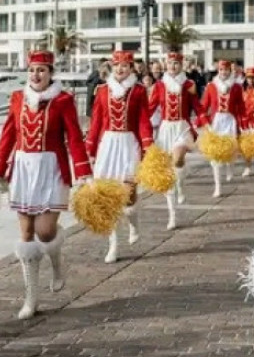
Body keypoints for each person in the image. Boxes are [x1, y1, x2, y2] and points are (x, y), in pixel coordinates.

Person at [0, 50, 92, 319]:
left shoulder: (63, 101)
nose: (36, 75)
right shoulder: (17, 99)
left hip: (51, 169)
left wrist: (84, 172)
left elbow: (74, 137)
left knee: (45, 232)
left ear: (50, 74)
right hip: (23, 168)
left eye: (42, 70)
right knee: (26, 234)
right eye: (32, 70)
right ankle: (31, 298)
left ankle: (57, 262)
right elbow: (8, 135)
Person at [85, 50, 154, 263]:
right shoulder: (103, 90)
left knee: (129, 196)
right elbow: (96, 121)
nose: (121, 69)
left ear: (131, 68)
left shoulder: (139, 91)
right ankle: (113, 245)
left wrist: (148, 146)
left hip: (128, 144)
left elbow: (143, 120)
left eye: (125, 65)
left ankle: (134, 223)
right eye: (117, 66)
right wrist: (89, 147)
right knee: (110, 199)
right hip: (108, 145)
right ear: (112, 67)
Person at [148, 51, 204, 230]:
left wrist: (206, 123)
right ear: (166, 64)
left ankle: (180, 183)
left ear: (182, 65)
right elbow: (149, 108)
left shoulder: (189, 85)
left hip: (182, 127)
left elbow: (197, 106)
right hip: (166, 128)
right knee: (169, 173)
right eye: (170, 63)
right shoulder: (159, 86)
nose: (173, 66)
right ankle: (172, 214)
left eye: (176, 63)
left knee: (178, 158)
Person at [199, 59, 244, 197]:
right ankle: (218, 186)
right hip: (216, 122)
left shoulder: (236, 87)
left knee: (230, 151)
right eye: (221, 70)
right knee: (215, 157)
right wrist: (205, 122)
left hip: (230, 121)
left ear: (230, 71)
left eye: (226, 70)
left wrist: (244, 123)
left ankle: (230, 166)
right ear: (218, 71)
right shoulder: (211, 86)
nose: (223, 72)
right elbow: (203, 107)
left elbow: (241, 106)